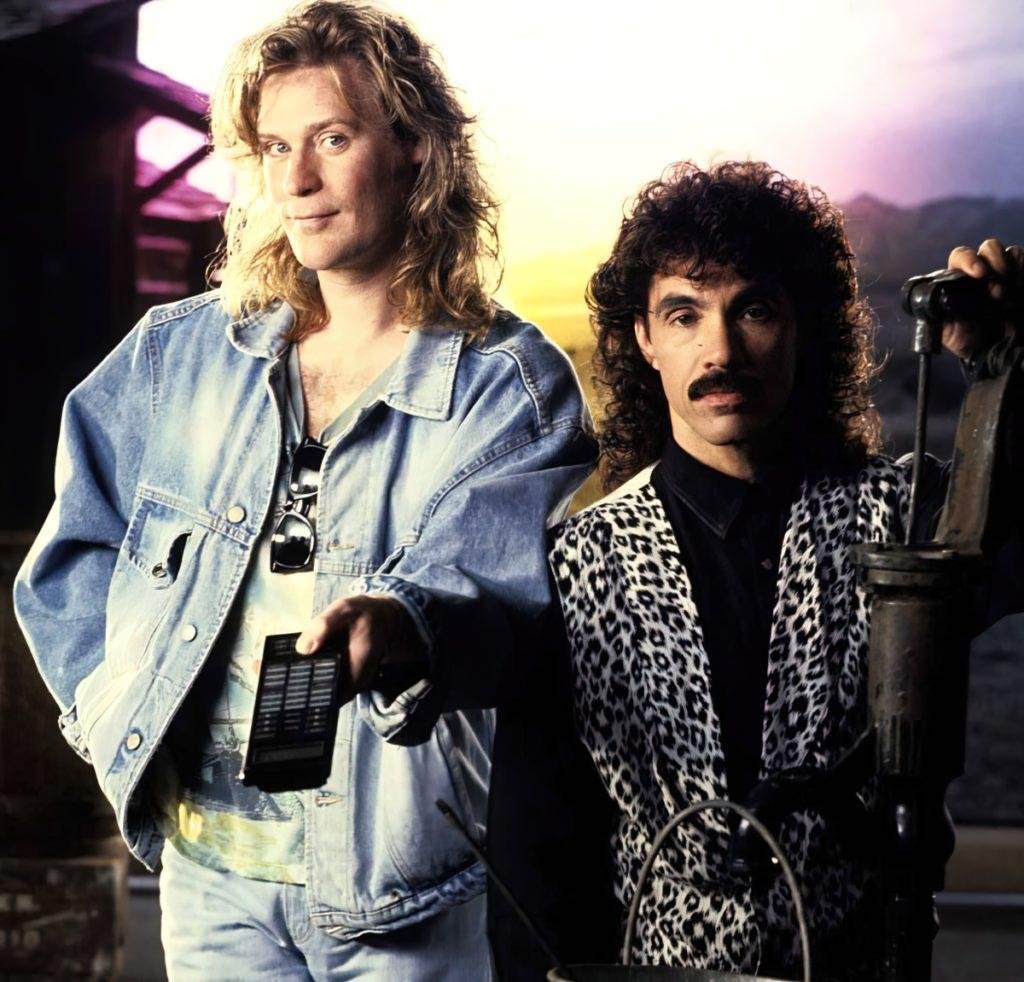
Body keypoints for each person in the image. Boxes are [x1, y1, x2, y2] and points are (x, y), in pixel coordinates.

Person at [13, 2, 596, 978]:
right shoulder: (175, 358)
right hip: (210, 881)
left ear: (414, 148)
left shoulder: (509, 385)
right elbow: (71, 556)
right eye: (276, 147)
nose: (296, 180)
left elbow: (496, 596)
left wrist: (403, 626)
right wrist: (120, 713)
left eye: (331, 138)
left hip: (402, 884)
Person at [494, 161, 1022, 980]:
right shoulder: (578, 562)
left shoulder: (899, 518)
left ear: (804, 326)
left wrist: (1002, 368)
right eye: (684, 315)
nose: (722, 350)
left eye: (755, 310)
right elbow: (538, 850)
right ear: (644, 340)